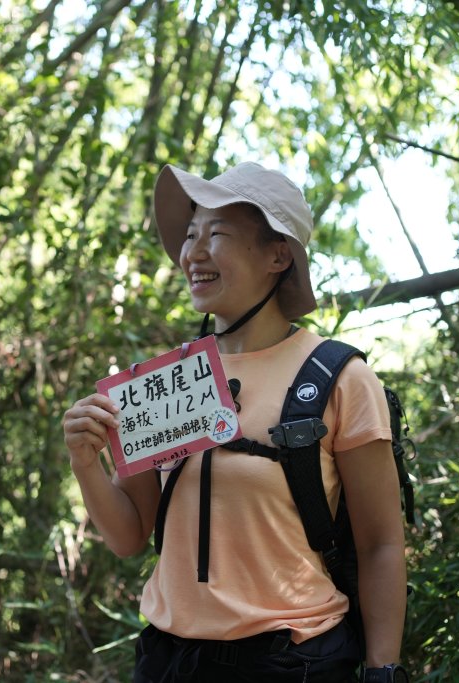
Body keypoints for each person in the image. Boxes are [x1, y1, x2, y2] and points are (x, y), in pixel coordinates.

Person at [63, 162, 408, 682]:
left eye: (217, 234)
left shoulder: (341, 378)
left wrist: (385, 671)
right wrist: (86, 462)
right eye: (190, 234)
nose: (193, 253)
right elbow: (129, 535)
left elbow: (380, 543)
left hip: (293, 659)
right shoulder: (162, 382)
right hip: (167, 660)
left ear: (278, 255)